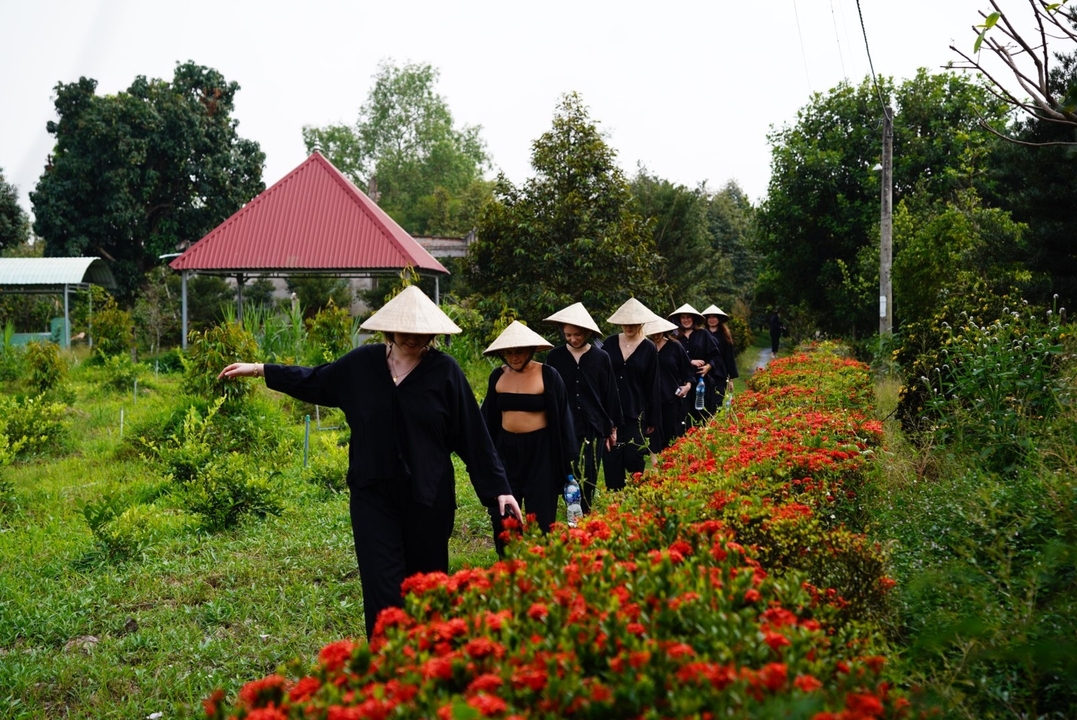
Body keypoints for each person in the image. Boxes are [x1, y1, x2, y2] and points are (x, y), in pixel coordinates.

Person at [218, 285, 522, 638]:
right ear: (389, 329)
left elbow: (474, 437)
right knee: (382, 588)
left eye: (421, 333)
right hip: (373, 497)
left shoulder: (446, 373)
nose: (413, 338)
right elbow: (315, 380)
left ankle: (430, 667)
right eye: (406, 331)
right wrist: (259, 369)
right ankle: (386, 671)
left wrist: (499, 489)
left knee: (427, 588)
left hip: (429, 499)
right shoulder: (362, 365)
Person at [480, 321, 577, 554]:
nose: (514, 357)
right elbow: (487, 419)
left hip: (541, 452)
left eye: (520, 351)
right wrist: (483, 458)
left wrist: (568, 463)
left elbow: (563, 417)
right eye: (510, 352)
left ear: (531, 350)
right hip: (506, 452)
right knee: (503, 515)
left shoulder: (548, 375)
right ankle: (509, 566)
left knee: (541, 518)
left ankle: (539, 565)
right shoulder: (498, 377)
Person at [544, 302, 621, 515]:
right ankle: (571, 505)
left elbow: (610, 393)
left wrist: (612, 427)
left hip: (593, 422)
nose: (573, 339)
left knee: (590, 468)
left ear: (587, 333)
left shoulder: (601, 357)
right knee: (568, 466)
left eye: (577, 334)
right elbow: (548, 392)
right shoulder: (555, 357)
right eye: (568, 335)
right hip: (564, 421)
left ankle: (585, 510)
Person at [602, 298, 662, 490]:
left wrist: (653, 419)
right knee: (612, 458)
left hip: (636, 412)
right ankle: (614, 503)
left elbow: (653, 384)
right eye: (625, 322)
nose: (629, 326)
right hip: (610, 410)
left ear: (641, 323)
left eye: (633, 322)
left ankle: (636, 495)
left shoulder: (649, 348)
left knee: (634, 456)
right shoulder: (609, 344)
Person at [642, 316, 693, 454]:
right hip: (650, 400)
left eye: (659, 332)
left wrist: (687, 386)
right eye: (653, 333)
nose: (656, 336)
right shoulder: (644, 348)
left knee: (671, 435)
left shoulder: (675, 346)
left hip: (671, 398)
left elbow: (687, 370)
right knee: (653, 437)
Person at [669, 303, 725, 420]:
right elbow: (671, 358)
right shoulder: (674, 337)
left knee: (702, 415)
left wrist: (708, 367)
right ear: (679, 319)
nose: (686, 320)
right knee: (683, 416)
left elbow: (716, 356)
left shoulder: (703, 334)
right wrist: (690, 361)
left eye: (688, 317)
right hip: (681, 382)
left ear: (693, 319)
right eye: (683, 317)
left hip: (701, 381)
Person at [702, 305, 739, 409]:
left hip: (720, 373)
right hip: (705, 372)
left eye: (714, 317)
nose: (712, 320)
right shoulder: (702, 334)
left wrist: (730, 379)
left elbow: (729, 358)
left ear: (719, 319)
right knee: (704, 400)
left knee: (717, 400)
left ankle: (713, 422)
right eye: (709, 317)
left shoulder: (725, 336)